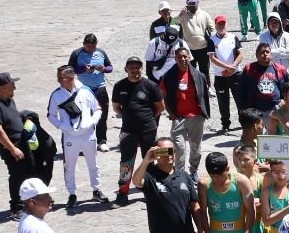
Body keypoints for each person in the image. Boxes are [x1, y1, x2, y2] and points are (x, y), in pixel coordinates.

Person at [45, 65, 105, 210]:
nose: (59, 80)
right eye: (59, 77)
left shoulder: (85, 91)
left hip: (88, 134)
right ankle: (71, 193)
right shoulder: (56, 95)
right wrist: (62, 126)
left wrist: (91, 122)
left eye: (62, 77)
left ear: (71, 77)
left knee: (93, 163)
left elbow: (97, 109)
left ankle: (96, 190)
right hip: (70, 137)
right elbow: (51, 115)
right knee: (69, 166)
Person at [130, 139, 204, 233]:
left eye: (171, 151)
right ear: (156, 154)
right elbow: (136, 181)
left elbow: (194, 206)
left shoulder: (184, 176)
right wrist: (146, 161)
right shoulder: (150, 176)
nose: (169, 155)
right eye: (164, 151)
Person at [110, 57, 164, 205]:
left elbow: (160, 107)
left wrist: (148, 119)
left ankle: (150, 190)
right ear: (126, 69)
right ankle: (123, 193)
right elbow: (116, 107)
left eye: (138, 67)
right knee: (126, 162)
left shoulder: (151, 85)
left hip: (148, 129)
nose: (135, 70)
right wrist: (128, 116)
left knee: (151, 160)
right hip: (128, 130)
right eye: (131, 67)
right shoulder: (119, 86)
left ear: (141, 69)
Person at [160, 44, 212, 180]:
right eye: (179, 57)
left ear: (189, 57)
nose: (182, 59)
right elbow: (163, 96)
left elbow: (204, 95)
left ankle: (193, 171)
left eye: (185, 56)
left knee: (195, 147)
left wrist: (204, 113)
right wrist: (170, 113)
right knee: (179, 148)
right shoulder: (169, 76)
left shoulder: (199, 75)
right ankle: (179, 173)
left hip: (196, 117)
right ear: (175, 59)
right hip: (179, 118)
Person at [67, 34, 114, 150]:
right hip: (84, 90)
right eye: (88, 47)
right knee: (83, 116)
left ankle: (101, 141)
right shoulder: (76, 53)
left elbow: (110, 67)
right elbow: (69, 70)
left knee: (102, 116)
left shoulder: (101, 52)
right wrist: (83, 69)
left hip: (100, 88)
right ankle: (84, 142)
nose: (91, 49)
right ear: (84, 45)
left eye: (93, 46)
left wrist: (104, 69)